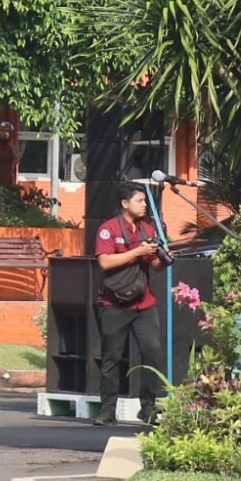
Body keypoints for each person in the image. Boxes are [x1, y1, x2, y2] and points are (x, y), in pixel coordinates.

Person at [93, 182, 173, 427]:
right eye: (140, 201)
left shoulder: (148, 228)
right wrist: (137, 252)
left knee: (151, 351)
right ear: (125, 203)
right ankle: (107, 410)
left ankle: (148, 408)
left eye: (145, 201)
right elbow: (105, 263)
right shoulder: (108, 229)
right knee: (111, 358)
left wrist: (162, 258)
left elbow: (154, 267)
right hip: (114, 303)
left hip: (144, 303)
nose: (144, 205)